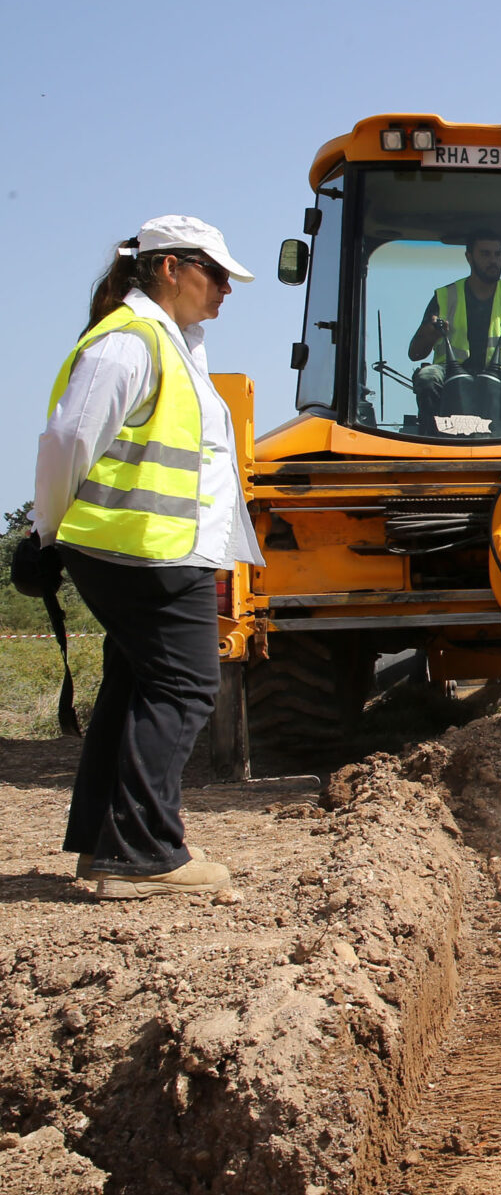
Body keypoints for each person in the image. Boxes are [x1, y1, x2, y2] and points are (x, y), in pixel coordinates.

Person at [35, 216, 263, 899]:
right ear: (169, 267)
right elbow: (68, 441)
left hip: (151, 550)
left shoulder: (170, 342)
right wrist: (45, 535)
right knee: (185, 685)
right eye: (214, 273)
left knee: (137, 682)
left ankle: (110, 841)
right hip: (147, 552)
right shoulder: (131, 343)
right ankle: (141, 851)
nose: (225, 288)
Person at [406, 233, 501, 436]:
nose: (493, 261)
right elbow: (415, 353)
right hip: (451, 374)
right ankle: (431, 441)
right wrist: (430, 332)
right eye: (485, 254)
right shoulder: (445, 297)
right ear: (469, 257)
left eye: (498, 255)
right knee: (427, 376)